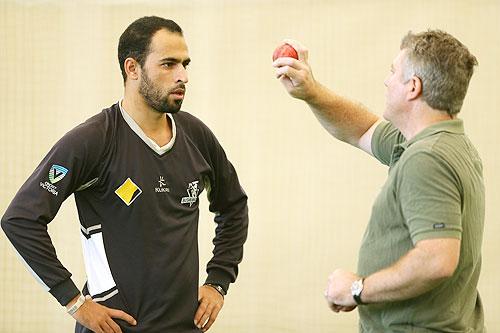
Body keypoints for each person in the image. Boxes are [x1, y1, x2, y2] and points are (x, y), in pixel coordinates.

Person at [1, 16, 248, 333]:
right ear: (132, 68)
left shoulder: (196, 136)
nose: (183, 76)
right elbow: (20, 220)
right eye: (168, 64)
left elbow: (233, 206)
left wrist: (218, 281)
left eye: (185, 64)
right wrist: (75, 302)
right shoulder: (93, 140)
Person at [273, 30, 484, 332]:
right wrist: (310, 90)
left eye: (392, 72)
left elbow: (437, 260)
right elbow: (362, 129)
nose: (386, 81)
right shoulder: (438, 143)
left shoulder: (428, 158)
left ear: (413, 87)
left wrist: (357, 289)